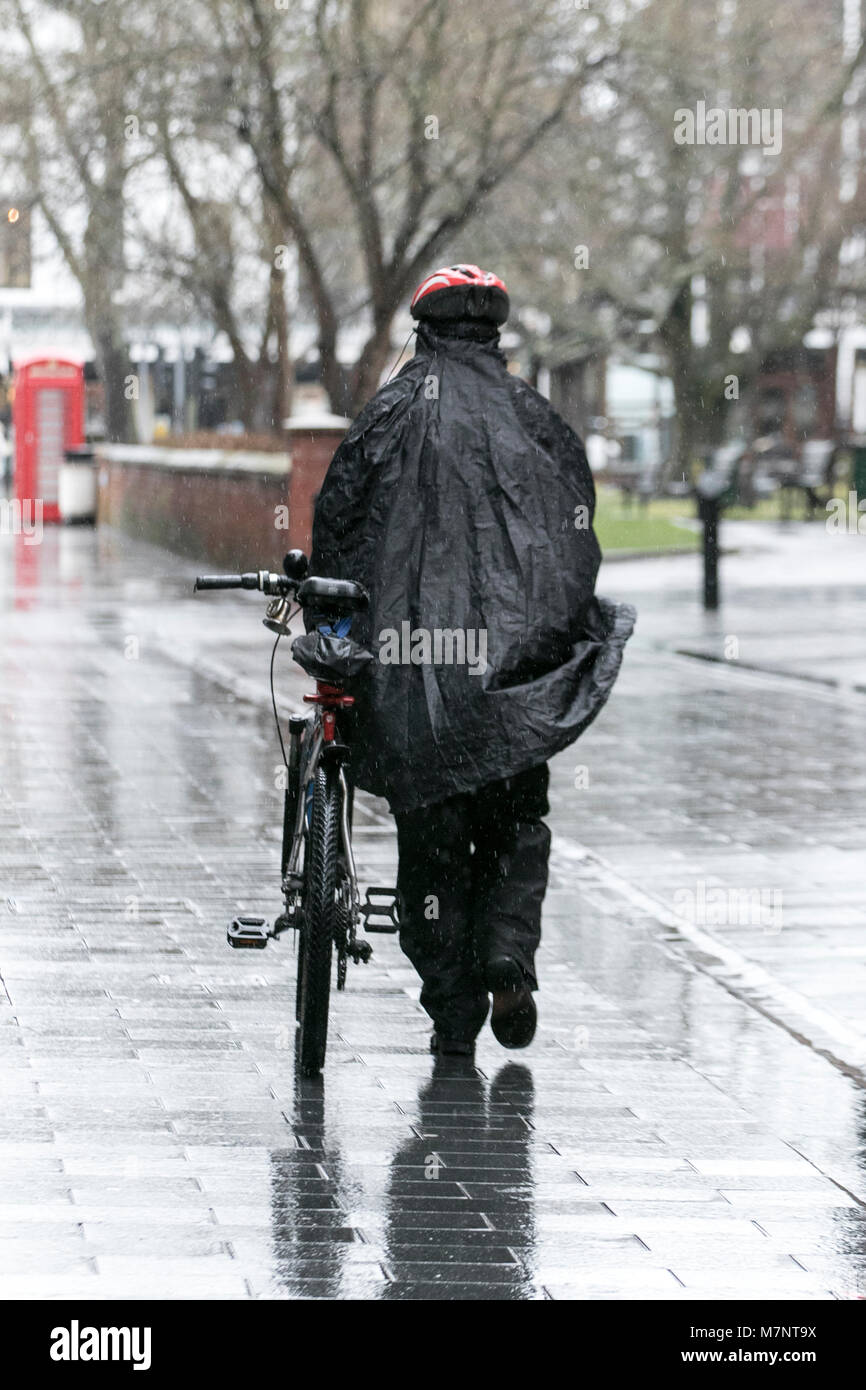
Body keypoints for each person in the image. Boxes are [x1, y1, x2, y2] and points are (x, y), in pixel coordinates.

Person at [305, 264, 635, 1058]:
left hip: (417, 683)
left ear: (423, 331)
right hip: (512, 683)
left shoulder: (386, 416)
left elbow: (338, 534)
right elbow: (574, 548)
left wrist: (340, 630)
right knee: (519, 822)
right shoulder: (539, 422)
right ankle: (508, 958)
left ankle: (453, 1009)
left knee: (433, 842)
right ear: (494, 336)